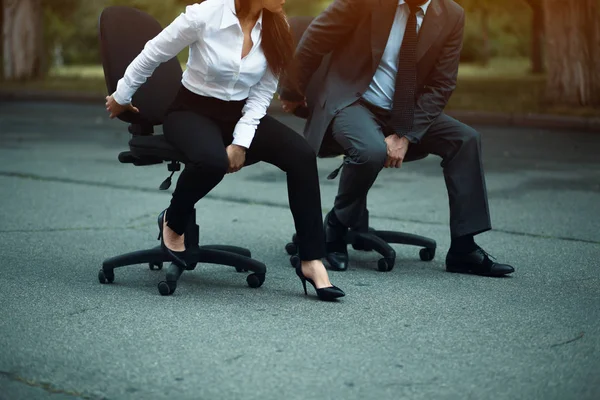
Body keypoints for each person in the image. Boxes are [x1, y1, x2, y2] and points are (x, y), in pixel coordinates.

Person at [105, 0, 345, 300]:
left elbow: (261, 94)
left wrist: (240, 142)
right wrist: (122, 94)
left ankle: (311, 260)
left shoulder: (277, 25)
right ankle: (174, 220)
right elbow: (154, 52)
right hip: (190, 111)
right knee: (211, 161)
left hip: (241, 114)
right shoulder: (206, 14)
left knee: (301, 155)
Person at [279, 0, 515, 277]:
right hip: (353, 101)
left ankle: (464, 249)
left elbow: (442, 84)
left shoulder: (452, 15)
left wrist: (405, 134)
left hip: (406, 110)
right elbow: (317, 36)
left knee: (465, 139)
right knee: (370, 150)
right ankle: (336, 226)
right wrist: (292, 91)